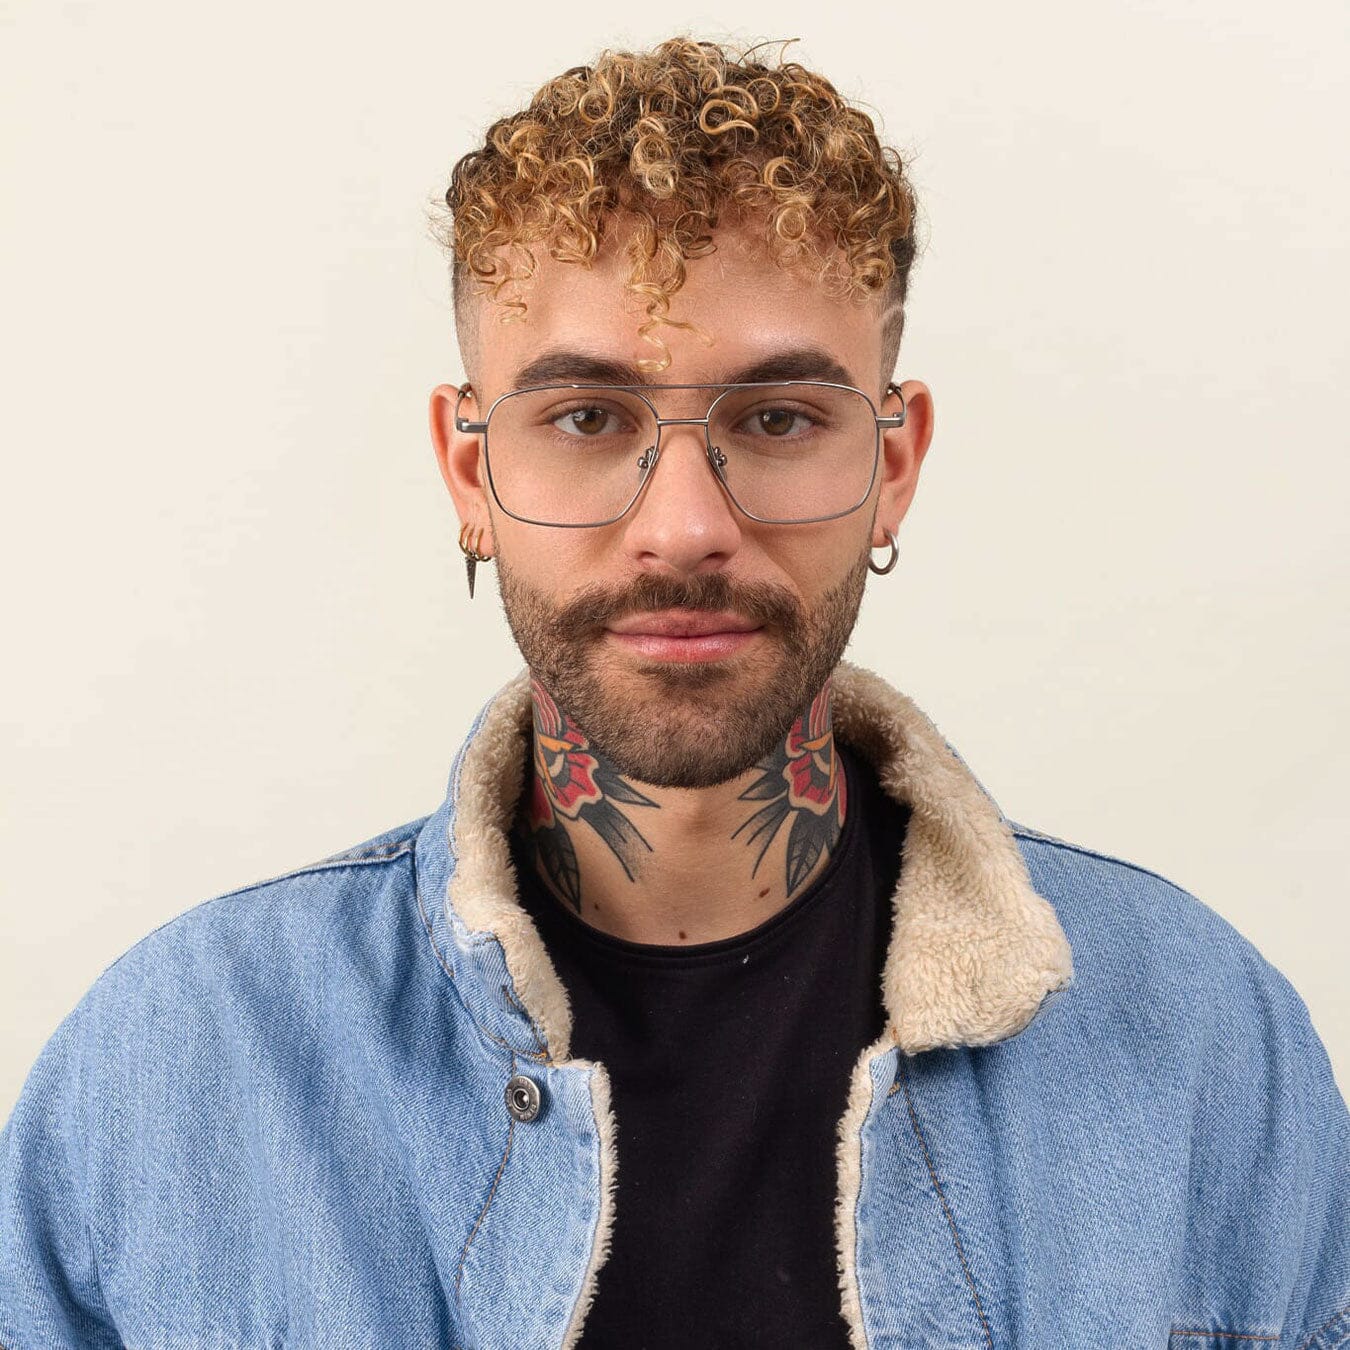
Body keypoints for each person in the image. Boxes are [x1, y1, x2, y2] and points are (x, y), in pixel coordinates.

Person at [2, 34, 1346, 1350]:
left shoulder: (1204, 1047)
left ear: (893, 462)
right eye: (587, 419)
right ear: (471, 473)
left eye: (778, 418)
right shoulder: (175, 1069)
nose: (686, 528)